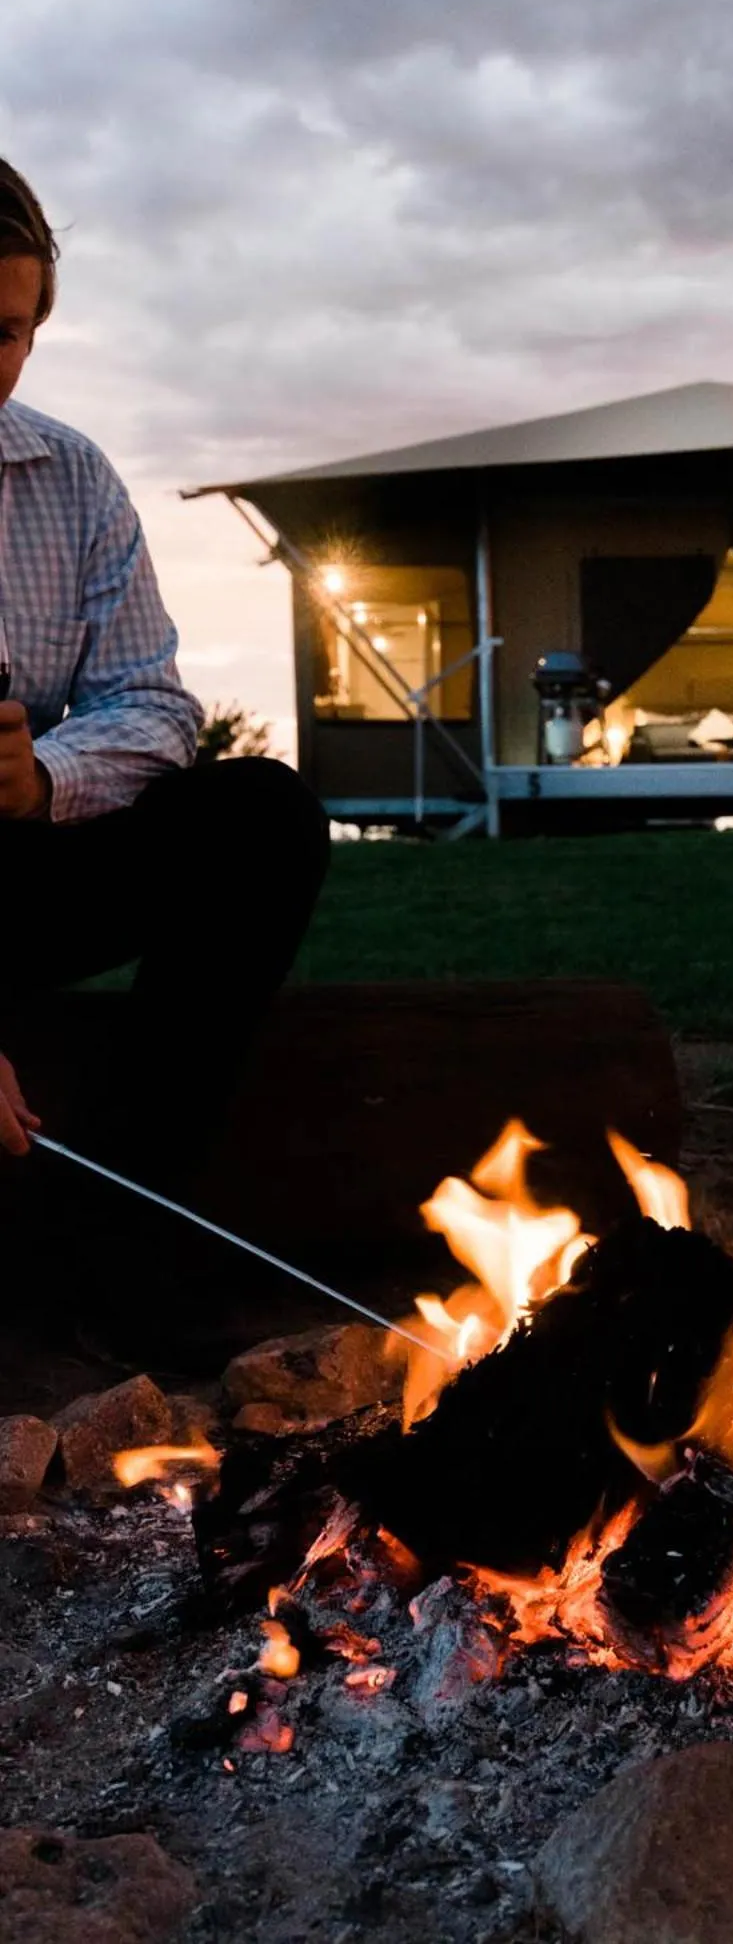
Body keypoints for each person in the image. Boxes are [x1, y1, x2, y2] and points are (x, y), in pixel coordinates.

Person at [0, 159, 330, 1277]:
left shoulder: (72, 477)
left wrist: (42, 778)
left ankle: (120, 1241)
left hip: (25, 865)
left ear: (35, 333)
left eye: (2, 332)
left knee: (262, 814)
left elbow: (152, 702)